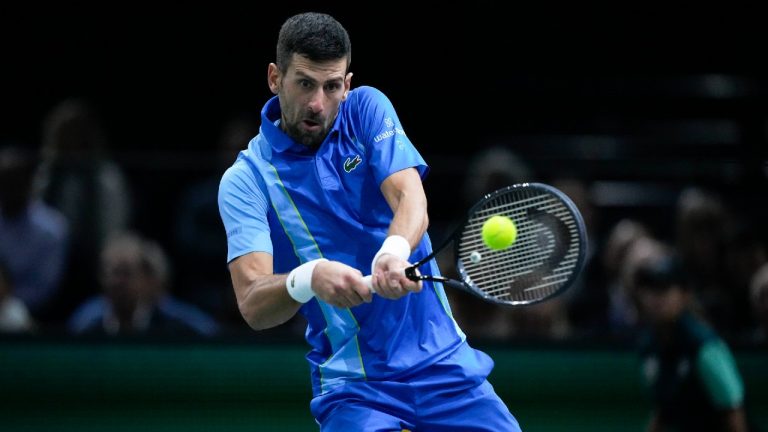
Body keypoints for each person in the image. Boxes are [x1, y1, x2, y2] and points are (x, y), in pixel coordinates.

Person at [217, 12, 521, 431]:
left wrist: (394, 252)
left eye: (332, 86)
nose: (317, 103)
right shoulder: (246, 180)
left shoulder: (365, 109)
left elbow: (410, 196)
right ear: (275, 77)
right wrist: (310, 277)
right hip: (355, 387)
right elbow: (252, 303)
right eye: (304, 83)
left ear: (348, 83)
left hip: (444, 365)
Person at [630, 246, 751, 432]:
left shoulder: (705, 347)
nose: (655, 298)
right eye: (649, 288)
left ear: (684, 295)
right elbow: (664, 409)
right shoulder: (649, 346)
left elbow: (733, 411)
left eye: (664, 288)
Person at [68, 231, 219, 337]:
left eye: (126, 274)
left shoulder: (179, 324)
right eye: (112, 273)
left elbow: (212, 336)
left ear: (147, 279)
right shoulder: (86, 322)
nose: (117, 282)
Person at [0, 143, 69, 322]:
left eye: (15, 182)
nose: (9, 190)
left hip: (36, 318)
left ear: (29, 183)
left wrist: (8, 306)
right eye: (4, 181)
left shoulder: (52, 228)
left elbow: (44, 288)